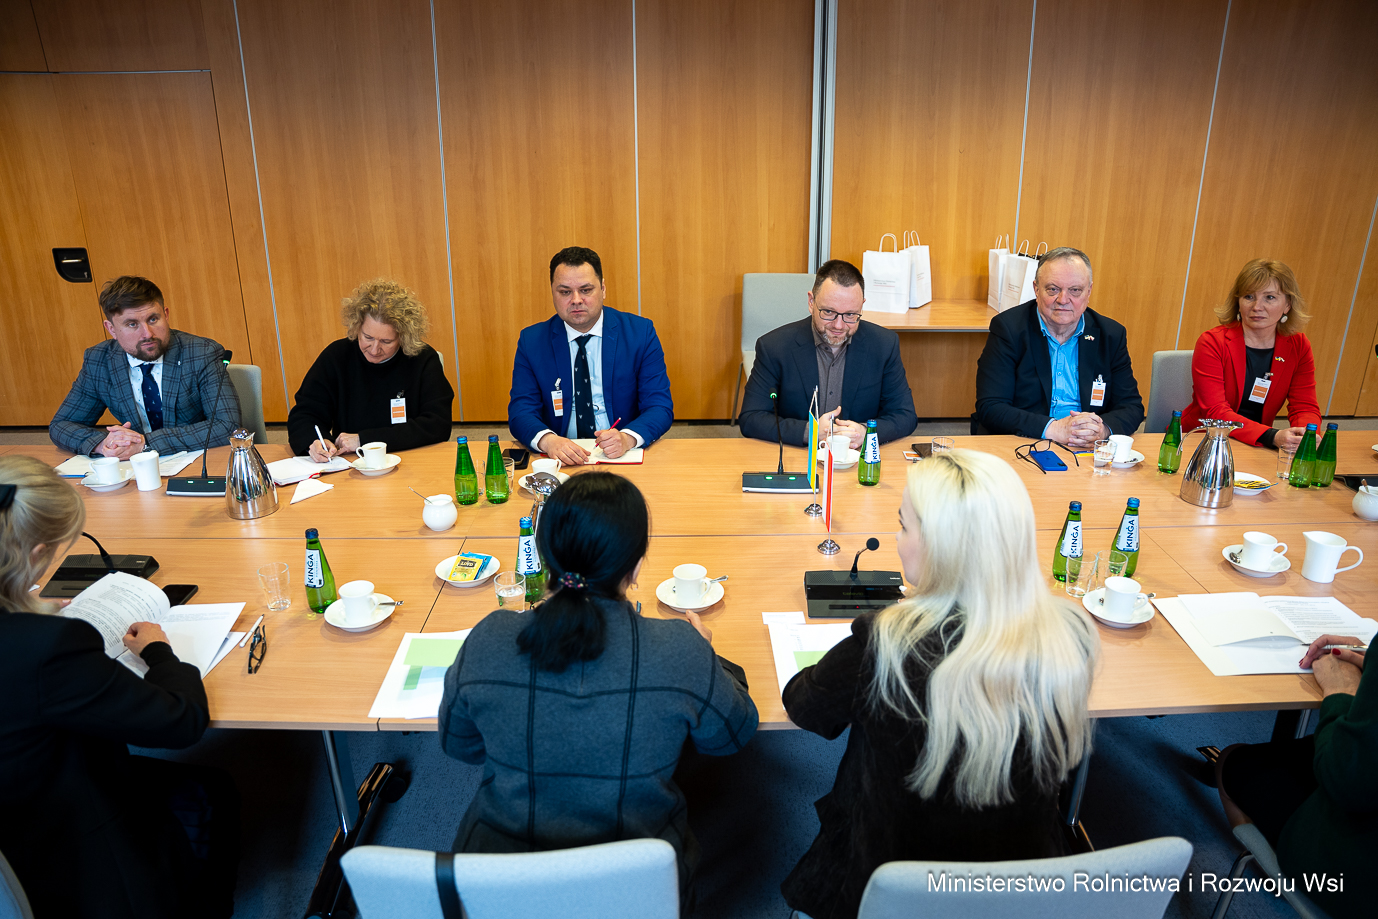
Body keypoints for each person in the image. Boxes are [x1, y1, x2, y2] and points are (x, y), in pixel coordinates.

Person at [780, 449, 1099, 919]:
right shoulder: (1070, 635)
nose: (896, 537)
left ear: (941, 546)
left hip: (886, 884)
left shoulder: (886, 642)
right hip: (1017, 890)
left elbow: (804, 706)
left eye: (904, 526)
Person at [438, 472, 758, 898]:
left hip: (498, 883)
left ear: (544, 556)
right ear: (637, 566)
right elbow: (733, 735)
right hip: (641, 885)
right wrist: (707, 655)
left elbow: (459, 745)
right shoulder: (681, 649)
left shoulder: (489, 637)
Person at [0, 456, 239, 918]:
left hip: (14, 810)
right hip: (71, 848)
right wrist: (159, 652)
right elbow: (181, 721)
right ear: (33, 555)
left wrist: (25, 605)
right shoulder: (47, 648)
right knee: (212, 790)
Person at [1214, 634, 1370, 919]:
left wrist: (1342, 691)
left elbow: (1346, 776)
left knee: (1234, 762)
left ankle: (1287, 878)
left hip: (1357, 871)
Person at [508, 247, 674, 465]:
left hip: (620, 454)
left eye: (586, 290)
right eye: (565, 292)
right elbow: (521, 410)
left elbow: (659, 406)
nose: (576, 300)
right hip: (560, 458)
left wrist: (627, 438)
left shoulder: (640, 333)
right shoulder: (532, 341)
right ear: (553, 292)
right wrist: (548, 441)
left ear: (603, 289)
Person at [49, 276, 241, 459]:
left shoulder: (201, 353)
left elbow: (228, 425)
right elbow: (61, 425)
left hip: (193, 459)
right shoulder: (99, 360)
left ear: (166, 315)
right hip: (133, 466)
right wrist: (104, 443)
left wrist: (145, 443)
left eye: (153, 319)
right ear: (111, 329)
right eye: (132, 324)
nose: (147, 334)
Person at [974, 247, 1144, 448]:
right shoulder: (1009, 329)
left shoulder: (1111, 335)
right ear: (1036, 289)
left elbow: (1131, 406)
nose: (1063, 300)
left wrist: (1102, 429)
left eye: (1075, 290)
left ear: (1089, 291)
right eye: (1053, 289)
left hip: (1088, 446)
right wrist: (1054, 429)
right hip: (1028, 441)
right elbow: (991, 406)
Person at [739, 259, 917, 449]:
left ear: (862, 306)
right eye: (829, 312)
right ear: (811, 302)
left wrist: (866, 433)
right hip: (798, 454)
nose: (839, 325)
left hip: (856, 457)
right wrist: (810, 432)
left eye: (850, 314)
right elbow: (751, 418)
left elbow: (905, 415)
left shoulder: (884, 345)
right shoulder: (774, 347)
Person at [288, 278, 454, 460]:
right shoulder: (336, 357)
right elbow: (305, 413)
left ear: (403, 337)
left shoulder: (422, 359)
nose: (374, 350)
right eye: (368, 337)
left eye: (386, 341)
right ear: (357, 327)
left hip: (411, 457)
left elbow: (438, 424)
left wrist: (365, 440)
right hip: (352, 463)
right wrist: (314, 441)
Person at [1181, 258, 1320, 450]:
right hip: (1204, 439)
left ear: (1287, 304)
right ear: (1238, 302)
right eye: (1249, 296)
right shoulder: (1213, 342)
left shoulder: (1298, 346)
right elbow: (1215, 411)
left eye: (1269, 297)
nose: (1257, 307)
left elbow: (1305, 406)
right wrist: (1272, 436)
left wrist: (1306, 435)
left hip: (1257, 444)